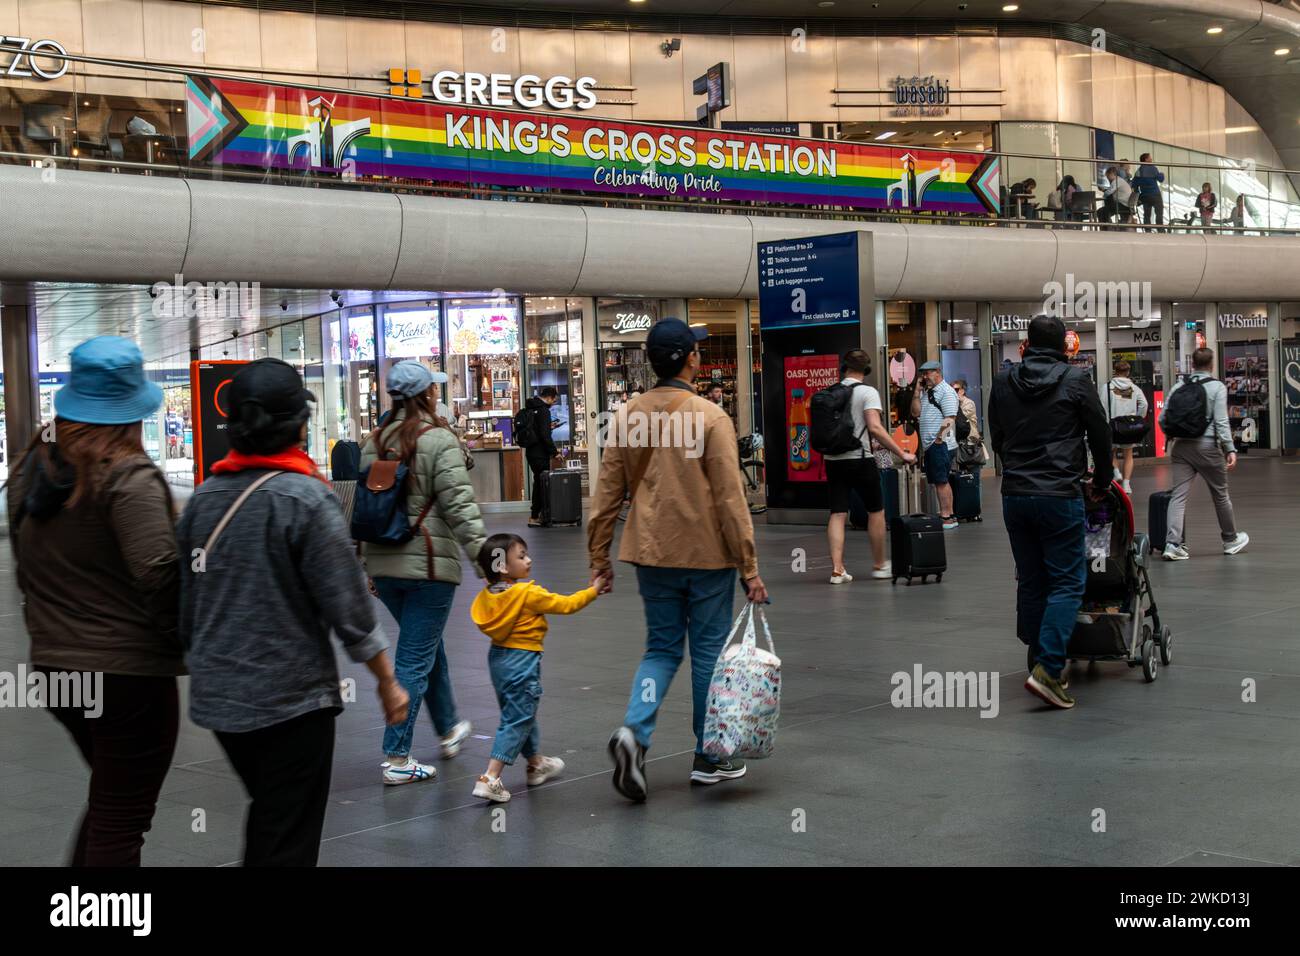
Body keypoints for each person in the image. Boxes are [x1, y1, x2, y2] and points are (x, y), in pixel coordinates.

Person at [177, 358, 409, 866]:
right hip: (289, 700)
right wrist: (387, 680)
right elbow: (347, 604)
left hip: (220, 701)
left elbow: (187, 603)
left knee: (272, 818)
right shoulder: (304, 497)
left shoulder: (203, 499)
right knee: (288, 837)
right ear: (299, 425)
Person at [6, 336, 182, 866]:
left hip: (55, 669)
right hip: (127, 676)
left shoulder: (28, 473)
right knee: (122, 817)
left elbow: (24, 571)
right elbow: (160, 576)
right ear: (130, 414)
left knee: (110, 803)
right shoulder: (127, 478)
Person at [588, 318, 767, 801]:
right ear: (691, 359)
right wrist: (748, 566)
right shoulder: (711, 416)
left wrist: (599, 555)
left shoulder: (626, 416)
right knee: (707, 653)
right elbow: (731, 499)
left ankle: (635, 731)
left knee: (661, 650)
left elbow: (606, 494)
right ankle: (710, 756)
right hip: (708, 556)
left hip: (651, 552)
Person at [360, 360, 487, 785]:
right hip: (428, 565)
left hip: (385, 565)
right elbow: (460, 507)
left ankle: (449, 727)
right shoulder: (438, 440)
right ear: (427, 395)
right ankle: (397, 757)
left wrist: (366, 565)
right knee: (414, 657)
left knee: (425, 645)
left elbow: (364, 509)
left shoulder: (373, 441)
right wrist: (490, 563)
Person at [988, 316, 1112, 710]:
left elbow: (998, 436)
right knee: (1067, 583)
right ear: (1064, 345)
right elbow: (1100, 433)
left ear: (1027, 342)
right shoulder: (1076, 380)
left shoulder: (1004, 380)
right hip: (1059, 493)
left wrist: (1015, 470)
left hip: (1016, 494)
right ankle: (1048, 668)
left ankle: (1037, 652)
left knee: (1030, 577)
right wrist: (1103, 481)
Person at [469, 533, 605, 803]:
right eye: (521, 556)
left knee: (519, 712)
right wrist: (594, 590)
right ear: (503, 567)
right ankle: (490, 777)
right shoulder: (527, 594)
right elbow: (566, 605)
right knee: (517, 718)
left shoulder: (487, 597)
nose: (529, 559)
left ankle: (535, 763)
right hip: (523, 661)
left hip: (498, 660)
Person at [824, 349, 916, 584]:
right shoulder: (867, 392)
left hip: (833, 460)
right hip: (860, 457)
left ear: (844, 367)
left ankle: (837, 569)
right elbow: (874, 428)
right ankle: (879, 565)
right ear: (866, 370)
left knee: (837, 513)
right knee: (876, 510)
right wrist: (901, 452)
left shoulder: (830, 392)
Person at [1159, 348, 1249, 560]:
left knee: (1178, 496)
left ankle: (1172, 545)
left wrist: (1173, 434)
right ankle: (1230, 539)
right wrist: (1230, 449)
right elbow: (1221, 421)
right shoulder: (1217, 387)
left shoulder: (1179, 385)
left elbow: (1163, 418)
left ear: (1193, 365)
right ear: (1211, 364)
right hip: (1207, 447)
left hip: (1180, 448)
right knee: (1220, 495)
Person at [910, 360, 961, 530]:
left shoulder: (945, 391)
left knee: (941, 481)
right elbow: (915, 412)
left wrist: (939, 438)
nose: (925, 377)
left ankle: (946, 516)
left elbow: (950, 418)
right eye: (923, 374)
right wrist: (917, 392)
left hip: (940, 444)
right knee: (941, 480)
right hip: (932, 444)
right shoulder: (927, 392)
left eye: (928, 373)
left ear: (938, 372)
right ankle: (949, 514)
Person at [520, 385, 561, 527]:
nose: (553, 403)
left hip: (531, 451)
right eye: (554, 400)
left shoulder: (530, 407)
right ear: (549, 397)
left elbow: (537, 430)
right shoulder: (543, 411)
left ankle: (539, 514)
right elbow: (544, 435)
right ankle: (535, 515)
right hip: (540, 452)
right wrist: (554, 452)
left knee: (538, 482)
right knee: (540, 484)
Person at [1108, 360, 1149, 495]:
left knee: (1111, 452)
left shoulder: (1107, 387)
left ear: (1115, 371)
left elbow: (1102, 406)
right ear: (1128, 372)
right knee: (1128, 455)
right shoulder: (1134, 388)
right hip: (1129, 426)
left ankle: (1116, 472)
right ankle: (1126, 484)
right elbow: (1144, 404)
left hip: (1113, 425)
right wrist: (1138, 418)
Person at [1131, 153, 1165, 230]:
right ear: (1146, 159)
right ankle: (1160, 230)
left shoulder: (1138, 171)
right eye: (1150, 158)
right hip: (1155, 194)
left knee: (1147, 215)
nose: (1151, 159)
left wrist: (1138, 194)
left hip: (1145, 196)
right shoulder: (1153, 169)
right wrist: (1162, 174)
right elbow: (1161, 179)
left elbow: (1134, 185)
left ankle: (1147, 230)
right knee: (1159, 213)